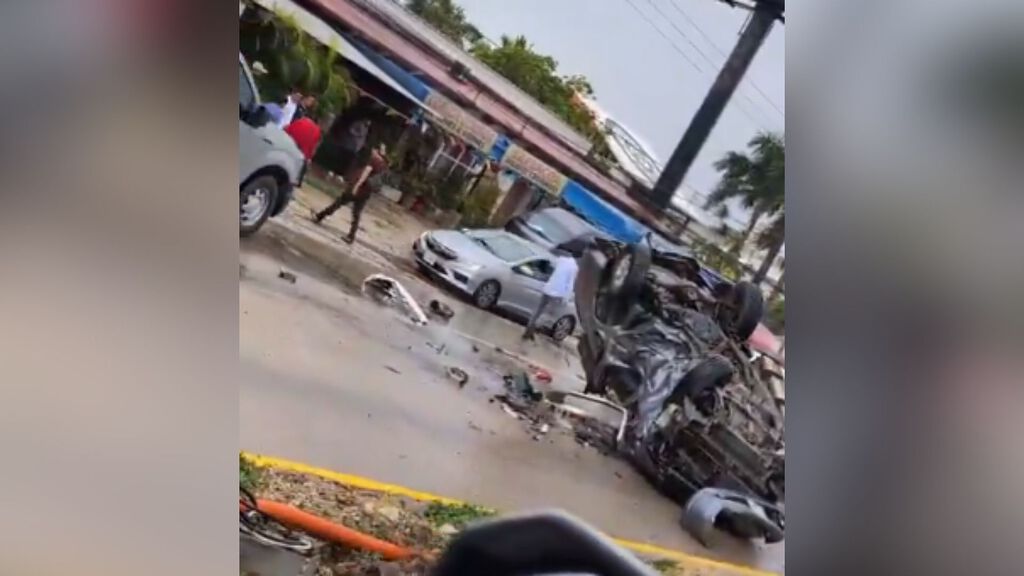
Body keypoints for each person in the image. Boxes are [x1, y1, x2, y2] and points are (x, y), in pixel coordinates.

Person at [312, 143, 389, 244]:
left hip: (359, 188)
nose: (372, 152)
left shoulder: (374, 160)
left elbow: (366, 172)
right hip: (367, 192)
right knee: (356, 213)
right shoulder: (383, 165)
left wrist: (356, 186)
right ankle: (351, 236)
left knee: (338, 202)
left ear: (376, 150)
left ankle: (320, 216)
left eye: (373, 150)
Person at [523, 247, 580, 341]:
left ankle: (529, 328)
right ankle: (535, 327)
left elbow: (552, 267)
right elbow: (570, 284)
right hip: (558, 293)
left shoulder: (561, 260)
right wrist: (566, 298)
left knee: (538, 310)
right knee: (549, 314)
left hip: (548, 288)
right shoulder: (574, 268)